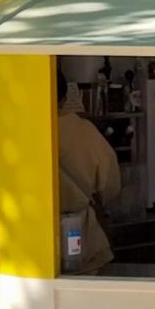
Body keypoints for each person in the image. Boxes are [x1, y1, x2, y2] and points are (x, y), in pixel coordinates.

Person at [57, 68, 121, 273]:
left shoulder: (16, 132)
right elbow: (111, 184)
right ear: (65, 98)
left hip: (30, 242)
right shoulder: (83, 130)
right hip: (84, 236)